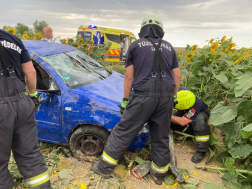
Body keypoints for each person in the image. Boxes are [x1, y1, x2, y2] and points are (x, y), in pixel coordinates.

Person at [91, 15, 181, 185]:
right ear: (160, 30)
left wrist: (125, 100)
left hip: (142, 97)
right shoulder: (169, 47)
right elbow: (176, 76)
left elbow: (129, 78)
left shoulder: (135, 45)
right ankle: (159, 175)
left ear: (143, 29)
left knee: (124, 131)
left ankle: (104, 167)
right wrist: (173, 96)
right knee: (161, 136)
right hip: (166, 99)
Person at [0, 29, 51, 189]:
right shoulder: (12, 39)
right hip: (22, 101)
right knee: (30, 155)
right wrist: (32, 97)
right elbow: (30, 72)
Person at [171, 86, 210, 163]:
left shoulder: (196, 104)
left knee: (198, 121)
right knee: (170, 122)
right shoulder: (177, 90)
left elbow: (183, 121)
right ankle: (189, 131)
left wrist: (166, 115)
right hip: (184, 111)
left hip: (201, 112)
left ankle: (202, 150)